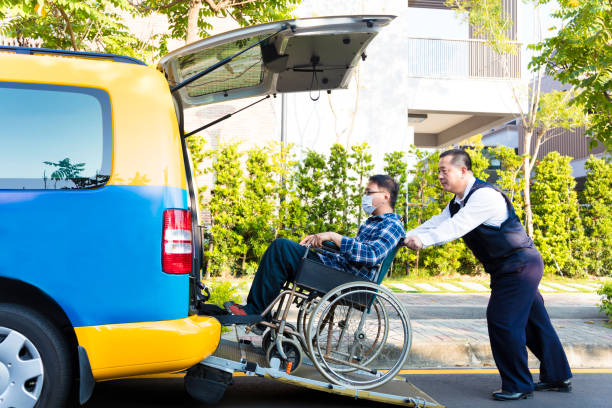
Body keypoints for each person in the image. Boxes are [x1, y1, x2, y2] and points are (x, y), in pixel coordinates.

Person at [404, 149, 572, 401]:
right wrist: (405, 236)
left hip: (519, 266)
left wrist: (423, 241)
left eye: (444, 170)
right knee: (534, 322)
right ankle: (558, 376)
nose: (439, 176)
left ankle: (518, 384)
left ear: (463, 170)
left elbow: (456, 227)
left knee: (503, 321)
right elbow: (437, 222)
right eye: (439, 171)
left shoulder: (484, 196)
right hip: (510, 267)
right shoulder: (458, 201)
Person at [225, 174, 405, 319]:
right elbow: (354, 250)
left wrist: (334, 236)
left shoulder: (393, 225)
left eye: (369, 192)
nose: (365, 196)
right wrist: (320, 240)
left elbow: (372, 254)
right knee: (282, 252)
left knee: (281, 248)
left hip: (346, 280)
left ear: (385, 196)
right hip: (337, 270)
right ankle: (259, 312)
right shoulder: (373, 222)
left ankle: (256, 311)